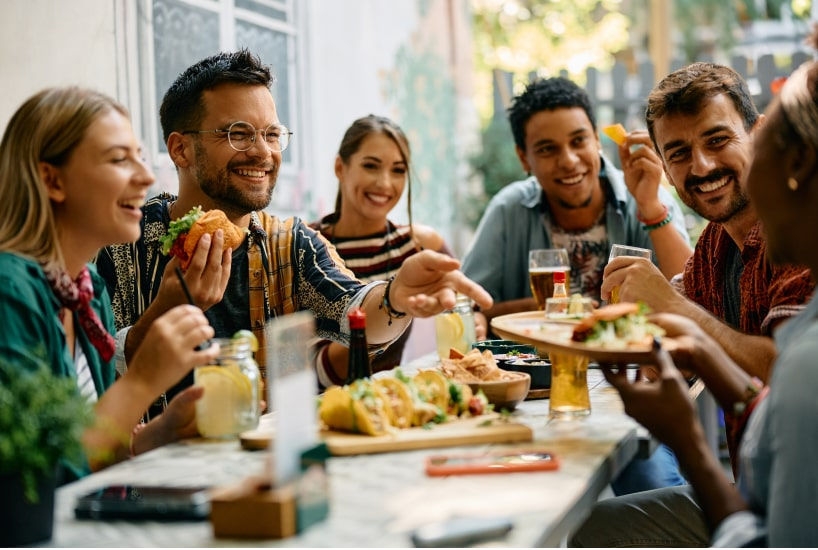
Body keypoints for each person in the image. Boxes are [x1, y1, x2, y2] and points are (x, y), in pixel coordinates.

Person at [95, 50, 492, 407]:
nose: (262, 152)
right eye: (238, 134)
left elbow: (355, 309)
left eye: (271, 135)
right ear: (181, 149)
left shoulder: (290, 243)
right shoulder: (120, 242)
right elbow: (92, 374)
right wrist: (165, 312)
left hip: (267, 461)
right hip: (154, 466)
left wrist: (397, 295)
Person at [572, 57, 818, 547]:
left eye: (718, 140)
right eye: (680, 153)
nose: (701, 167)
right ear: (664, 166)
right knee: (589, 527)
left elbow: (786, 371)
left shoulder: (794, 242)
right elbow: (709, 356)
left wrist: (686, 437)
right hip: (754, 489)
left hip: (772, 509)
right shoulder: (713, 246)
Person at [461, 76, 692, 496]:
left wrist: (651, 207)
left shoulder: (644, 196)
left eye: (578, 141)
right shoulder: (509, 210)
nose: (569, 161)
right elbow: (472, 303)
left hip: (633, 394)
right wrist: (548, 315)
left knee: (651, 488)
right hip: (535, 398)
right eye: (547, 149)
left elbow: (690, 298)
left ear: (597, 140)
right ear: (524, 157)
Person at [0, 87, 220, 479]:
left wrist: (160, 432)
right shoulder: (9, 292)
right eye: (119, 159)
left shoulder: (87, 293)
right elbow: (32, 477)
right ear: (52, 180)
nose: (147, 176)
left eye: (140, 156)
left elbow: (90, 449)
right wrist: (141, 382)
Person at [310, 114, 465, 383]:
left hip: (394, 398)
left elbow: (467, 309)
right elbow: (310, 369)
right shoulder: (307, 245)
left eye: (398, 170)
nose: (384, 183)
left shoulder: (418, 245)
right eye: (371, 166)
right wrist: (390, 304)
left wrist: (473, 321)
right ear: (340, 167)